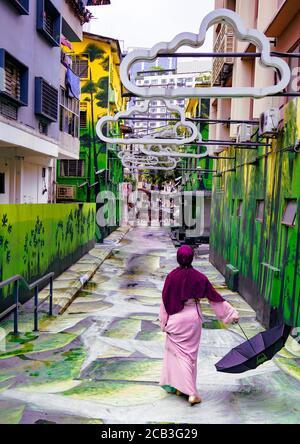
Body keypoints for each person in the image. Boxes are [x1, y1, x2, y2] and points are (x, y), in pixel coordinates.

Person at [159, 245, 239, 406]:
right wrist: (231, 315)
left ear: (177, 258)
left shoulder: (171, 277)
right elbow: (214, 298)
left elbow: (164, 301)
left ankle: (191, 393)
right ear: (191, 258)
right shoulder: (200, 277)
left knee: (175, 354)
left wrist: (164, 323)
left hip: (175, 320)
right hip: (192, 320)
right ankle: (182, 388)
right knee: (189, 357)